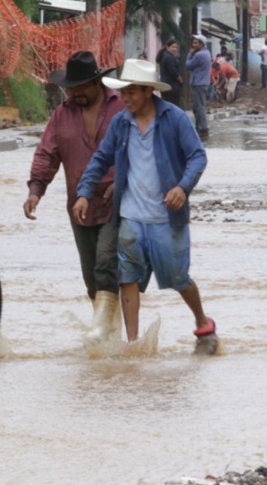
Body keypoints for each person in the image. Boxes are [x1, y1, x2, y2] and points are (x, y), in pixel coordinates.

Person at [71, 59, 216, 353]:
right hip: (131, 216)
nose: (126, 99)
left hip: (166, 218)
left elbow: (198, 157)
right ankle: (134, 344)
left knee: (178, 278)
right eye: (124, 93)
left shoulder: (174, 119)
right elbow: (100, 159)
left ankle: (203, 323)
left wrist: (182, 187)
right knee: (128, 278)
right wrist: (84, 193)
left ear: (149, 91)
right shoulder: (121, 123)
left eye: (132, 93)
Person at [26, 51, 125, 342]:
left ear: (97, 82)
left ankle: (101, 331)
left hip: (117, 201)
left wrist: (122, 179)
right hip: (79, 206)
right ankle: (109, 332)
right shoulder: (61, 115)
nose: (75, 93)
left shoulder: (121, 107)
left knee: (106, 261)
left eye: (81, 86)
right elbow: (47, 153)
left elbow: (140, 147)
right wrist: (35, 190)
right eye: (72, 88)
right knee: (91, 276)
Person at [186, 34, 212, 140]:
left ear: (201, 44)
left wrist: (189, 54)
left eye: (196, 43)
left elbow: (188, 65)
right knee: (197, 107)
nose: (193, 45)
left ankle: (203, 128)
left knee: (199, 107)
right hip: (202, 83)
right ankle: (199, 127)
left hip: (199, 83)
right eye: (193, 42)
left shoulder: (199, 55)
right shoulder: (206, 53)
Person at [157, 38, 182, 104]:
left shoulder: (165, 56)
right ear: (167, 47)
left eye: (176, 47)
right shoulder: (169, 57)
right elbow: (172, 71)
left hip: (165, 86)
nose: (175, 49)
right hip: (171, 87)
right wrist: (179, 78)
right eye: (173, 47)